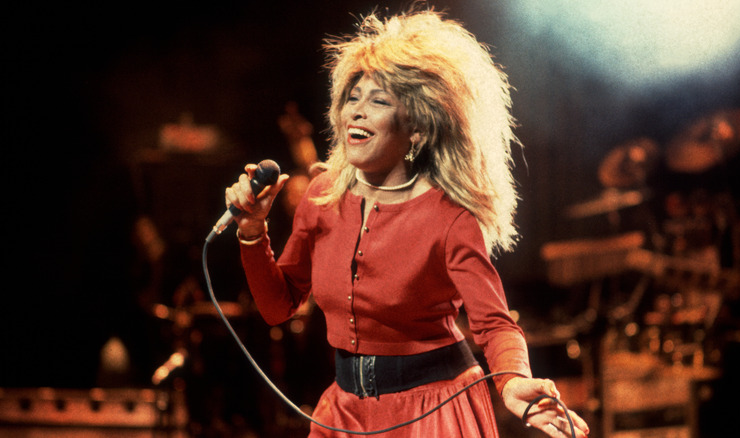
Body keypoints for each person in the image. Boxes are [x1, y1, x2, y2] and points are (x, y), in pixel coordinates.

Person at [225, 9, 589, 438]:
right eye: (352, 98)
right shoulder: (321, 196)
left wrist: (512, 381)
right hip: (343, 414)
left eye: (378, 101)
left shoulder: (449, 217)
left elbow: (493, 324)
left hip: (433, 412)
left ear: (416, 126)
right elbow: (276, 306)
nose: (355, 114)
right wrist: (252, 231)